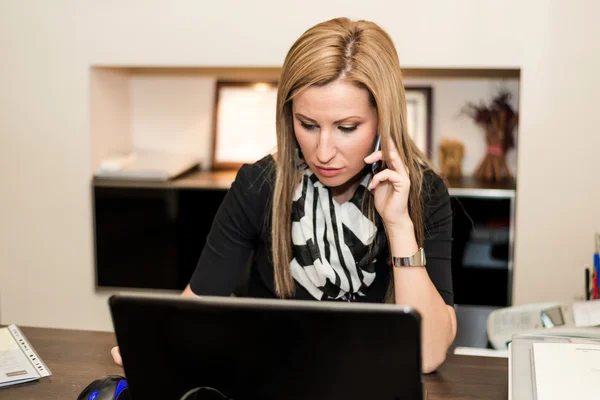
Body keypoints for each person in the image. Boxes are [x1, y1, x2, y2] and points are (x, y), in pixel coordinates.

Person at [112, 17, 456, 373]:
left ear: (385, 121)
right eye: (308, 125)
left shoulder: (424, 193)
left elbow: (427, 357)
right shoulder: (259, 184)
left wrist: (399, 225)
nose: (323, 152)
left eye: (347, 128)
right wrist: (153, 340)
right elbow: (193, 309)